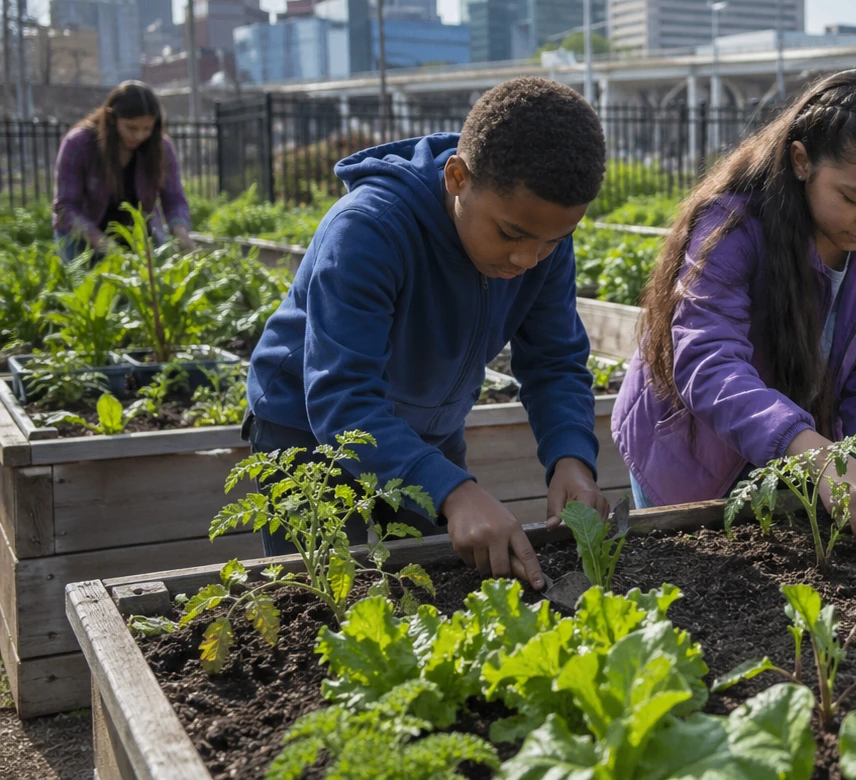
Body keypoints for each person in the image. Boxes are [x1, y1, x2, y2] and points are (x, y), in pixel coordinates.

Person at [245, 77, 610, 587]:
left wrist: (572, 458)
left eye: (554, 240)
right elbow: (341, 399)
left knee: (448, 587)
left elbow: (553, 362)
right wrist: (454, 492)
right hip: (307, 433)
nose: (527, 259)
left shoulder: (540, 240)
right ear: (457, 177)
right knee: (326, 599)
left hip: (428, 431)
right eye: (510, 234)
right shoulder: (367, 230)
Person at [613, 68, 856, 551]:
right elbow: (707, 363)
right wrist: (811, 452)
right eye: (854, 197)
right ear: (801, 160)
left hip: (801, 457)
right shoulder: (732, 229)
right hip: (692, 456)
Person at [52, 81, 192, 260]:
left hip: (141, 239)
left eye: (147, 128)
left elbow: (174, 199)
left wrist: (181, 233)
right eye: (131, 128)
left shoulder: (161, 147)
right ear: (111, 118)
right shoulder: (79, 144)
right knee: (87, 286)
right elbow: (65, 208)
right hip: (83, 239)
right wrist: (102, 243)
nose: (139, 136)